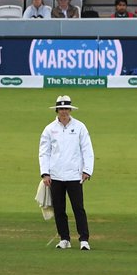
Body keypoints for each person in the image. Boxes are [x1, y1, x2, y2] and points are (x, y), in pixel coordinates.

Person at [39, 95, 93, 250]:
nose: (64, 112)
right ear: (57, 110)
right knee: (59, 209)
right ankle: (64, 239)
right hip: (55, 175)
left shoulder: (80, 127)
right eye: (61, 109)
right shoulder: (50, 129)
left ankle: (84, 240)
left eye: (66, 109)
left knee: (78, 208)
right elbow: (44, 152)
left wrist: (87, 170)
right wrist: (45, 173)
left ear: (70, 110)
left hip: (75, 175)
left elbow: (87, 149)